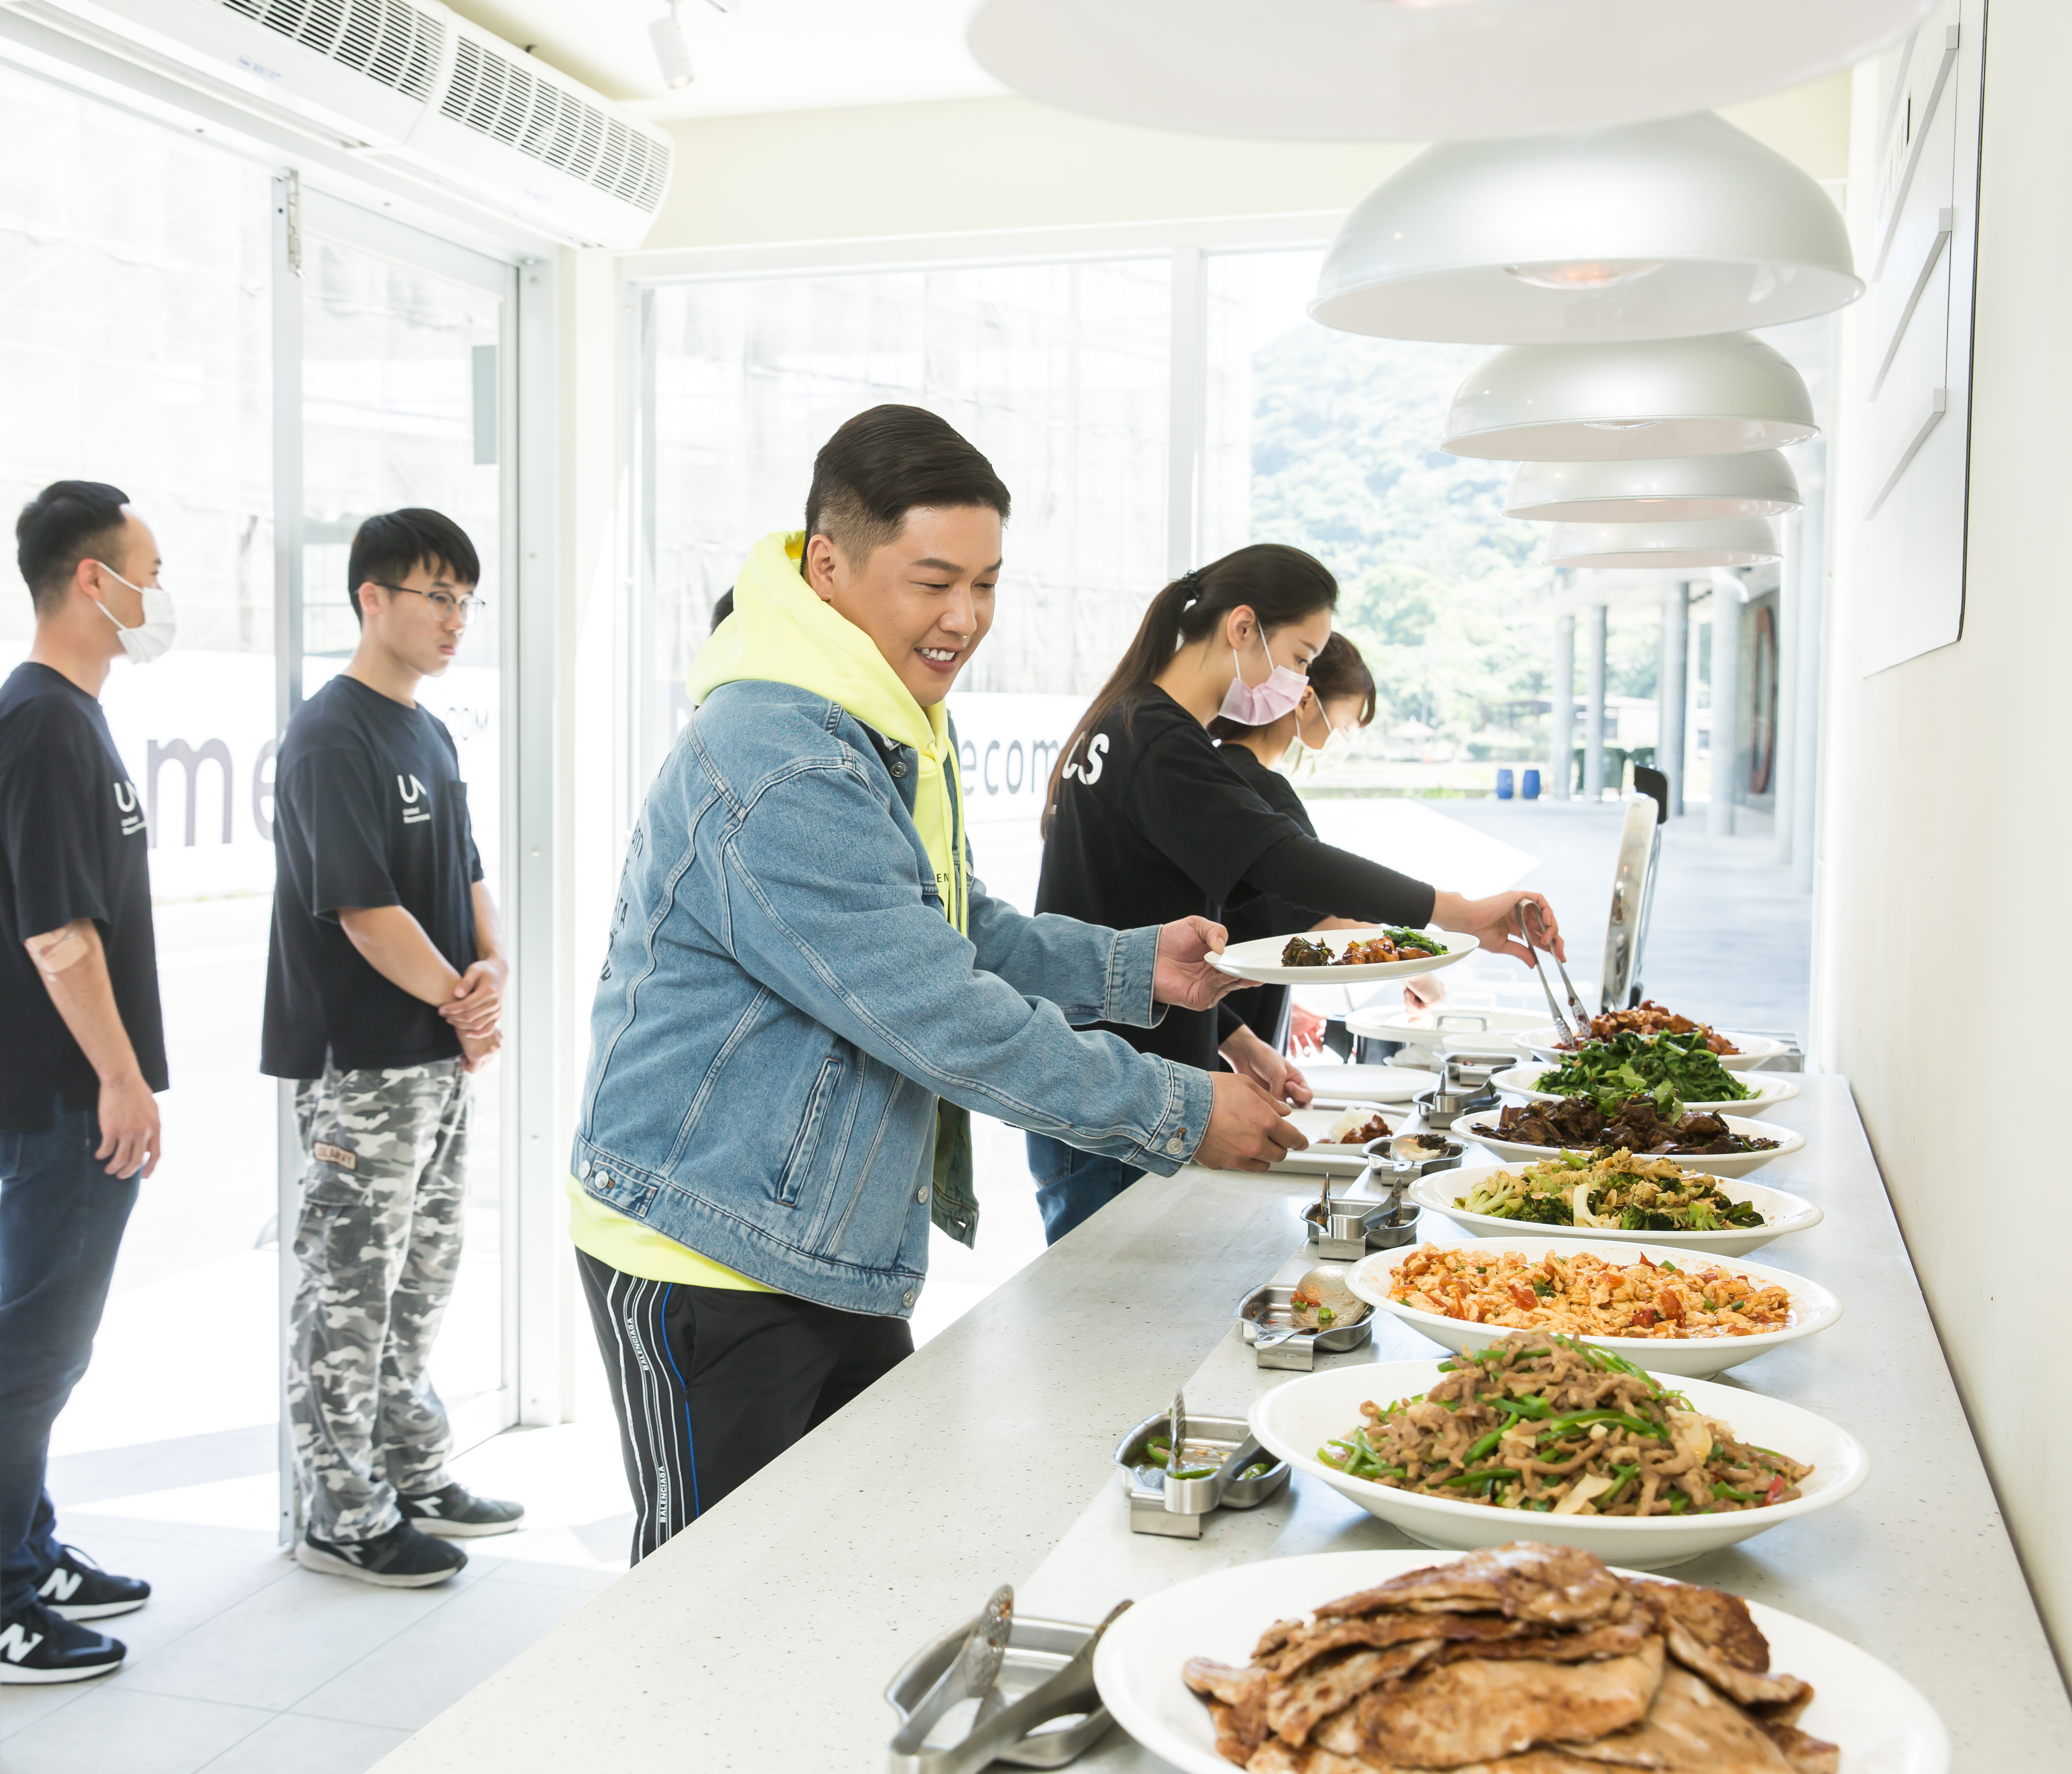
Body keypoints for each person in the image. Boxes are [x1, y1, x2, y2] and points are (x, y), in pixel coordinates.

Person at [569, 405, 1300, 1565]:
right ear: (828, 564)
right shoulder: (782, 751)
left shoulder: (869, 711)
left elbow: (948, 926)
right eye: (930, 580)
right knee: (704, 1597)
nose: (963, 617)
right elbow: (939, 1012)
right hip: (706, 1241)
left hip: (822, 1233)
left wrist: (1130, 966)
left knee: (836, 1566)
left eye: (987, 582)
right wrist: (1179, 1109)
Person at [1030, 544, 1565, 1243]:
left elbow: (1125, 922)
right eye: (1303, 656)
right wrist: (1456, 911)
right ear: (1243, 628)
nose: (1302, 681)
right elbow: (1288, 862)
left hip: (1113, 1087)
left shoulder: (1126, 727)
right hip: (1121, 1102)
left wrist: (1237, 1038)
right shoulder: (1158, 741)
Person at [262, 508, 523, 1590]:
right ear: (372, 599)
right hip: (360, 1062)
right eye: (436, 596)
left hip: (432, 1053)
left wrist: (491, 969)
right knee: (349, 1288)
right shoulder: (333, 735)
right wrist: (461, 1004)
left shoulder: (429, 729)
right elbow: (362, 912)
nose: (455, 618)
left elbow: (465, 876)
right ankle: (341, 1509)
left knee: (421, 1273)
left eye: (465, 599)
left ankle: (410, 1466)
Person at [0, 480, 173, 1683]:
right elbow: (60, 937)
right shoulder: (46, 722)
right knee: (35, 1351)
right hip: (69, 1100)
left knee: (55, 1346)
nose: (161, 596)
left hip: (81, 1095)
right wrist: (119, 1077)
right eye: (149, 571)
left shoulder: (72, 716)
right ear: (94, 582)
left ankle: (31, 1545)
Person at [1212, 632, 1379, 1055]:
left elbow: (1258, 920)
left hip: (1221, 1023)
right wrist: (1421, 965)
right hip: (1228, 1047)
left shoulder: (1216, 772)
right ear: (1304, 700)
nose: (1337, 743)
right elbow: (1326, 931)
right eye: (1343, 726)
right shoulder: (1263, 791)